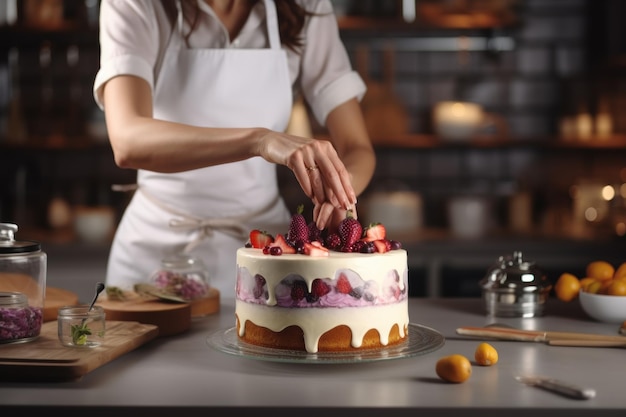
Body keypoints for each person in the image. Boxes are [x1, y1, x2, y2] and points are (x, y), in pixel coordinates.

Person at [93, 0, 375, 296]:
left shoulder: (306, 6)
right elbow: (127, 140)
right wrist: (259, 141)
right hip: (152, 252)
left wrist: (339, 191)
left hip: (266, 254)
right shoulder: (136, 4)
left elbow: (357, 148)